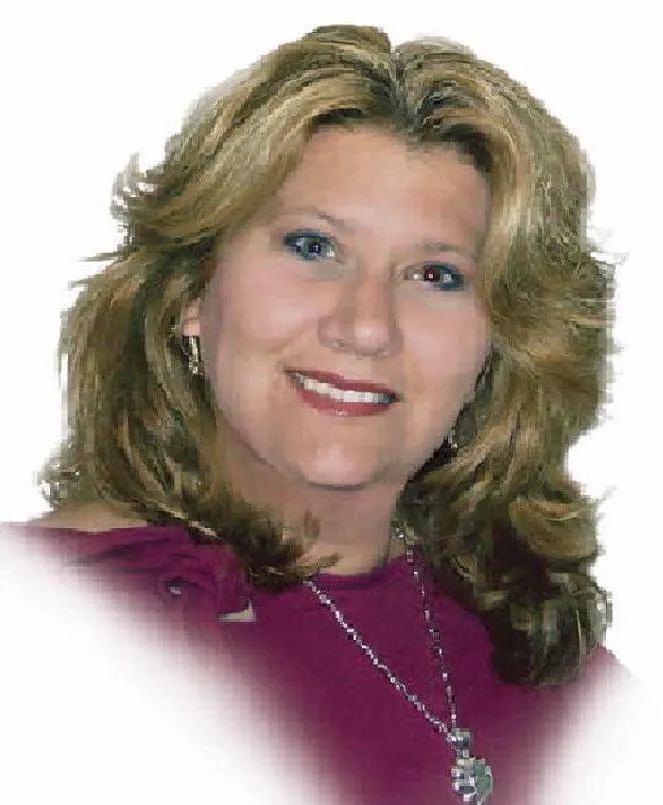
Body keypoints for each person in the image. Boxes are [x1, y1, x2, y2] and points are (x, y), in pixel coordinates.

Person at [4, 23, 636, 804]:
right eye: (312, 247)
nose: (365, 325)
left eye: (435, 275)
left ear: (498, 345)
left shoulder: (552, 667)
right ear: (190, 291)